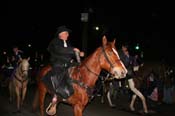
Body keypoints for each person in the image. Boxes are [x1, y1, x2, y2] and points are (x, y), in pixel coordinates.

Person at [43, 25, 84, 115]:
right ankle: (54, 99)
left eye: (68, 34)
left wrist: (79, 53)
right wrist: (73, 49)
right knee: (58, 77)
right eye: (66, 33)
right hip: (58, 64)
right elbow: (60, 50)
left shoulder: (68, 43)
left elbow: (71, 54)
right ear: (60, 34)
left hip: (68, 64)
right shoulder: (55, 42)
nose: (68, 35)